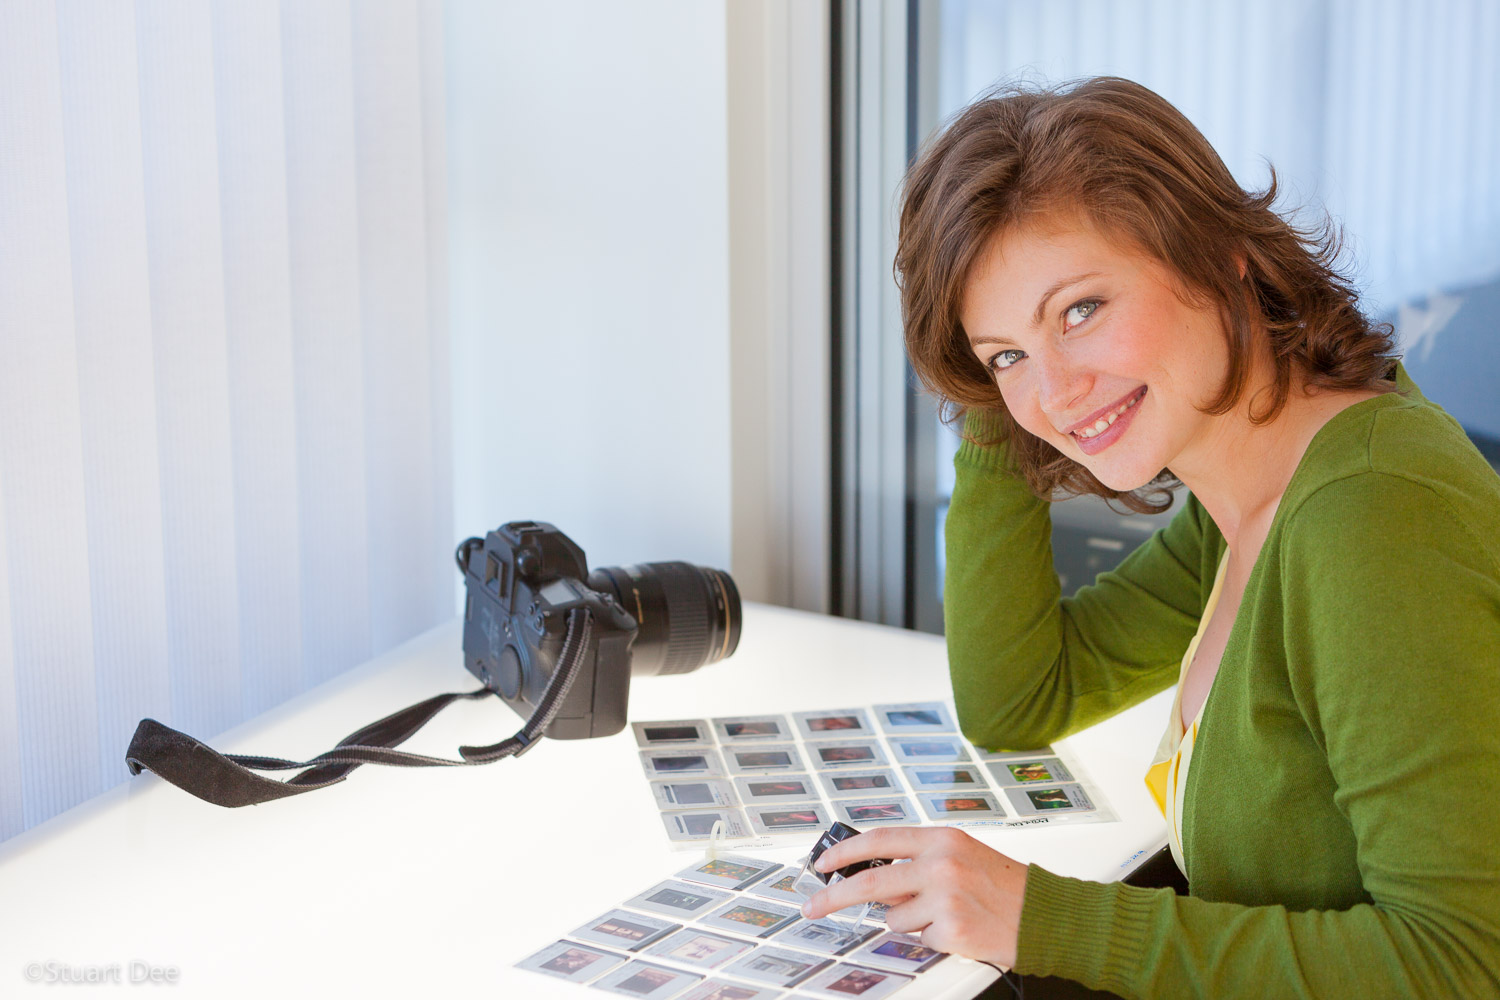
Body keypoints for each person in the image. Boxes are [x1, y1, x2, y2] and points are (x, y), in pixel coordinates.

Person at [800, 77, 1500, 998]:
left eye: (1081, 310)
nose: (1052, 392)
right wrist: (995, 397)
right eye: (1005, 353)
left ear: (1221, 259)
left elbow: (1460, 965)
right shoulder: (1253, 485)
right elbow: (1021, 697)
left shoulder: (1368, 514)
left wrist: (1039, 918)